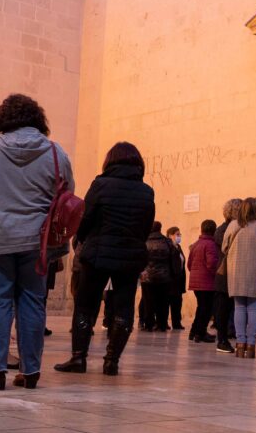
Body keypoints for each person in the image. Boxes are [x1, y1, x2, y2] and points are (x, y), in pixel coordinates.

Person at [0, 94, 73, 390]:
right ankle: (30, 371)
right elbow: (68, 191)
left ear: (2, 119)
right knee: (33, 302)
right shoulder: (55, 152)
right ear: (38, 120)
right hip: (37, 241)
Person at [54, 142, 153, 377]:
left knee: (86, 306)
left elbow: (84, 218)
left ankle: (79, 358)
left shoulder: (100, 185)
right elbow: (145, 226)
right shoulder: (146, 191)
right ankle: (112, 361)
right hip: (130, 257)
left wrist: (82, 239)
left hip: (98, 254)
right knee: (123, 307)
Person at [225, 197, 256, 358]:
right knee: (253, 307)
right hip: (255, 272)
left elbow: (224, 246)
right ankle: (251, 345)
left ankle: (240, 345)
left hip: (236, 272)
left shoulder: (233, 225)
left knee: (239, 307)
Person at [213, 198, 242, 352]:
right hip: (225, 276)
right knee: (223, 309)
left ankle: (226, 337)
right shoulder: (226, 229)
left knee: (228, 308)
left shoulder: (225, 228)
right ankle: (222, 340)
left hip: (229, 275)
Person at [188, 220, 220, 345]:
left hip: (196, 282)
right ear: (214, 230)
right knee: (206, 309)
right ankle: (200, 333)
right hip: (207, 283)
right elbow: (212, 263)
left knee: (201, 308)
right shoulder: (211, 245)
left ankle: (194, 332)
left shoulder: (196, 244)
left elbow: (189, 264)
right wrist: (216, 274)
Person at [141, 222, 174, 332]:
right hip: (164, 277)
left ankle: (149, 324)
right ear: (160, 229)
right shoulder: (167, 241)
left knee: (148, 302)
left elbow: (140, 258)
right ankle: (162, 324)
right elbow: (173, 259)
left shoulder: (144, 241)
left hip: (147, 277)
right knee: (163, 302)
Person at [167, 226, 187, 331]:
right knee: (170, 301)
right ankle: (164, 322)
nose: (179, 236)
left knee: (177, 302)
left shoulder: (178, 247)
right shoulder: (169, 247)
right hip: (171, 279)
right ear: (170, 235)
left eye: (180, 234)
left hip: (178, 279)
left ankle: (177, 322)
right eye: (177, 234)